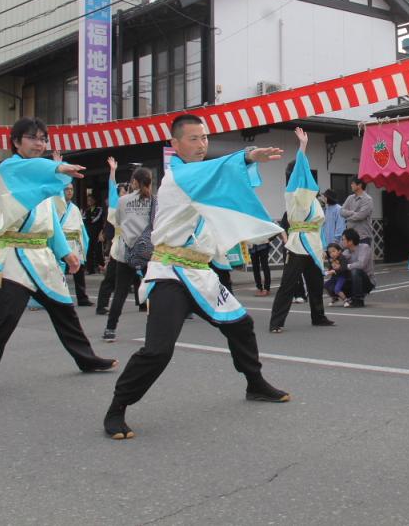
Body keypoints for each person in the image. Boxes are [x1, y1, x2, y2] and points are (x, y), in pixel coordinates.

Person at [103, 113, 291, 440]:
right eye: (193, 138)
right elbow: (214, 173)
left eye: (204, 138)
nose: (202, 144)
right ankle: (118, 406)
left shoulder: (197, 177)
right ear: (174, 144)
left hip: (201, 274)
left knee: (241, 325)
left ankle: (254, 382)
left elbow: (216, 188)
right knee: (159, 350)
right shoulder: (179, 176)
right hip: (170, 273)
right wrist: (246, 156)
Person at [0, 117, 117, 399]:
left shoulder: (44, 184)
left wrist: (67, 253)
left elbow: (51, 224)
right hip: (14, 257)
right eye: (33, 138)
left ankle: (86, 358)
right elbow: (31, 169)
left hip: (43, 258)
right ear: (16, 142)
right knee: (5, 320)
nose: (39, 144)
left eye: (43, 139)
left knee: (65, 312)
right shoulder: (10, 169)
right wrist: (58, 167)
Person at [269, 128, 335, 333]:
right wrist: (303, 147)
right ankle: (276, 322)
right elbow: (299, 171)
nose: (306, 175)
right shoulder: (294, 195)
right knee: (288, 285)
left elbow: (319, 227)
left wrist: (323, 246)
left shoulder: (313, 199)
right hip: (298, 244)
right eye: (302, 171)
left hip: (313, 244)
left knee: (315, 284)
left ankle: (319, 316)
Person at [102, 167, 153, 342]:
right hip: (149, 253)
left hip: (127, 252)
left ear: (134, 182)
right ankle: (154, 330)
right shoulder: (154, 202)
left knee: (121, 292)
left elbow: (117, 221)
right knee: (153, 291)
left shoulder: (123, 201)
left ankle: (110, 329)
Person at [57, 180, 93, 307]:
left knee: (79, 273)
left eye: (71, 189)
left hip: (75, 243)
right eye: (67, 189)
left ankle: (82, 298)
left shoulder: (75, 209)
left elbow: (81, 228)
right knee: (58, 272)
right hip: (61, 242)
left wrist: (83, 243)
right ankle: (59, 298)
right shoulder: (57, 207)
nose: (70, 191)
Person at [340, 228, 375, 307]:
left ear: (351, 241)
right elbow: (340, 265)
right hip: (353, 280)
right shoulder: (346, 251)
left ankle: (358, 300)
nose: (342, 242)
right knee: (333, 282)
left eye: (343, 239)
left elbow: (361, 264)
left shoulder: (364, 247)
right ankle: (350, 298)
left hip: (367, 280)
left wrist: (348, 266)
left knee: (355, 271)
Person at [340, 177, 374, 245]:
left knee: (363, 255)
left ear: (359, 185)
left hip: (363, 237)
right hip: (350, 237)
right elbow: (341, 211)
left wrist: (347, 218)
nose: (351, 185)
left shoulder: (367, 199)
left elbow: (361, 216)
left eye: (353, 183)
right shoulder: (350, 198)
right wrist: (352, 213)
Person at [85, 193, 105, 274]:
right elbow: (85, 220)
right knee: (89, 251)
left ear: (95, 200)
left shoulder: (99, 209)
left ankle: (101, 267)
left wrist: (88, 219)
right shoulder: (87, 210)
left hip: (97, 233)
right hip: (89, 234)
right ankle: (90, 269)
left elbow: (95, 219)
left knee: (98, 251)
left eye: (91, 200)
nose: (89, 201)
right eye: (88, 200)